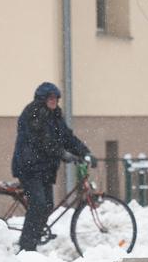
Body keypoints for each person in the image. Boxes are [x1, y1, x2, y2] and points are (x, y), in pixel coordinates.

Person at [11, 82, 91, 252]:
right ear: (42, 99)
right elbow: (43, 141)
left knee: (47, 205)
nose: (54, 101)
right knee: (38, 204)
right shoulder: (34, 113)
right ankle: (27, 246)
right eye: (51, 98)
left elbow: (67, 137)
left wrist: (85, 153)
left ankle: (34, 235)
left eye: (56, 98)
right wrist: (63, 154)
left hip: (44, 169)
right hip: (29, 168)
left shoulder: (55, 115)